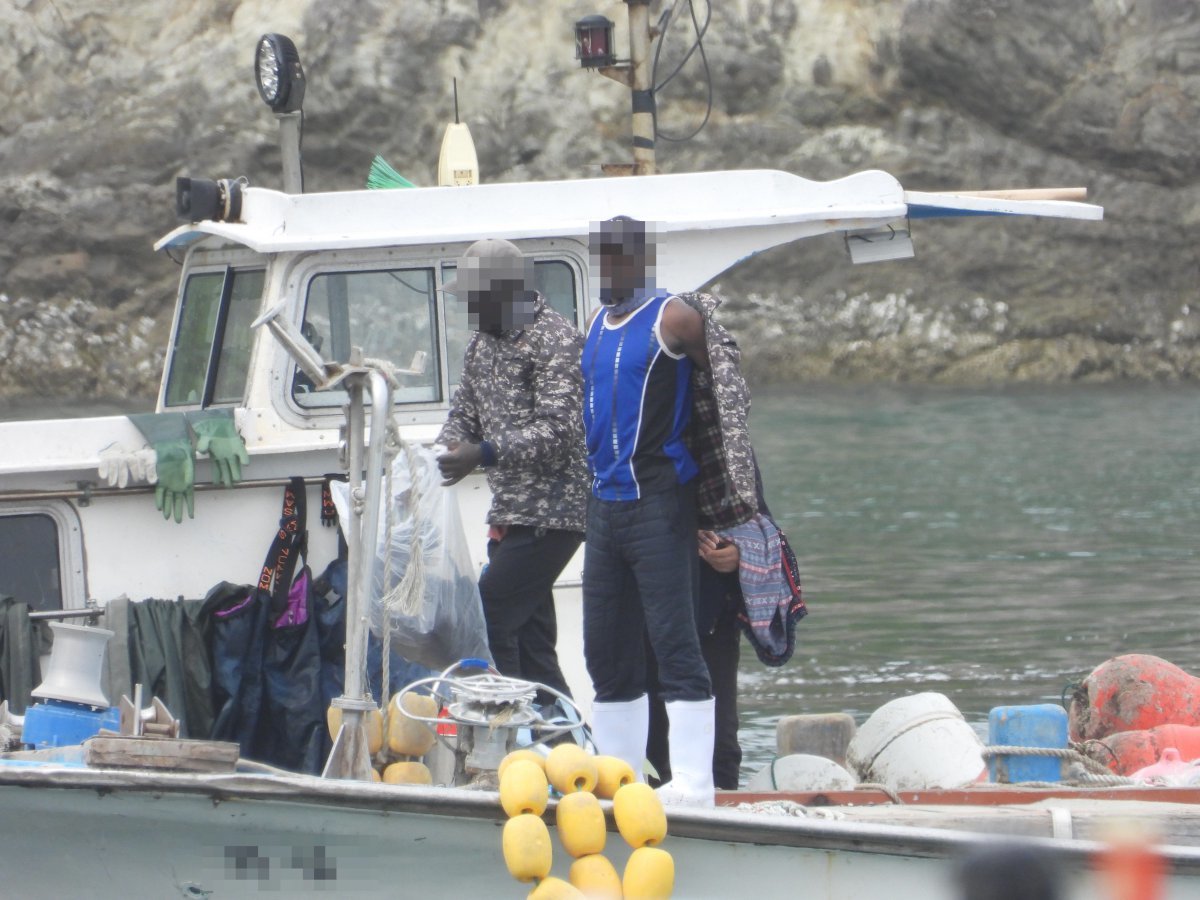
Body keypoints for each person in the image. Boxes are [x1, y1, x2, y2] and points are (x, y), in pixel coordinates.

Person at [581, 216, 759, 807]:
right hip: (604, 509)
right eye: (598, 256)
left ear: (639, 260)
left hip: (660, 502)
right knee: (605, 651)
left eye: (613, 258)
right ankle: (619, 779)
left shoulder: (672, 317)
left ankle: (694, 784)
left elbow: (727, 392)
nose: (604, 269)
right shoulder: (595, 326)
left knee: (676, 643)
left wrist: (732, 492)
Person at [436, 239, 588, 707]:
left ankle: (510, 733)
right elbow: (464, 412)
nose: (468, 308)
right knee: (531, 646)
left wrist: (482, 454)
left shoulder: (556, 339)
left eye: (473, 298)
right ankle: (563, 749)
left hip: (556, 512)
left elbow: (561, 427)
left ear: (506, 291)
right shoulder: (482, 345)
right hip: (512, 512)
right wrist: (444, 451)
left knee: (490, 616)